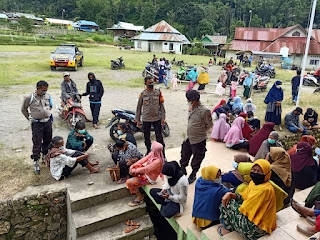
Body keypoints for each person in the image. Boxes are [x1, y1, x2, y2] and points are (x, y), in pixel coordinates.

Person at [218, 160, 277, 239]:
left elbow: (245, 208)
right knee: (229, 198)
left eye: (259, 171)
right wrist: (231, 194)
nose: (255, 173)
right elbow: (244, 196)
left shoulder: (265, 189)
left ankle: (227, 229)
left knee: (227, 203)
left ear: (267, 173)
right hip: (254, 220)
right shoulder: (254, 183)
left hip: (256, 228)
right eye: (253, 170)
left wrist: (231, 200)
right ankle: (229, 226)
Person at [180, 90, 213, 184]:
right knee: (184, 154)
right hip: (188, 137)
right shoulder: (191, 107)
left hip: (199, 139)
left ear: (194, 100)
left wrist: (199, 131)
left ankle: (193, 173)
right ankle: (183, 169)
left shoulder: (205, 111)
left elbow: (209, 125)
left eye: (188, 100)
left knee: (197, 158)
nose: (187, 102)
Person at [21, 80, 53, 174]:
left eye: (46, 90)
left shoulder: (47, 96)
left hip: (47, 122)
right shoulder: (30, 97)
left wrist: (47, 114)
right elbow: (23, 109)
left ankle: (45, 157)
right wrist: (30, 118)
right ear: (38, 88)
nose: (44, 92)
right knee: (37, 143)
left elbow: (50, 106)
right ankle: (36, 163)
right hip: (37, 124)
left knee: (48, 141)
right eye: (43, 90)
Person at [127, 141, 165, 206]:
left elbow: (146, 169)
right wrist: (132, 166)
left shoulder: (158, 161)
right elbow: (144, 159)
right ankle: (135, 186)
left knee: (129, 182)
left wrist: (134, 170)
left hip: (149, 178)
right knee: (136, 167)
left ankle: (139, 197)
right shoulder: (153, 153)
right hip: (146, 174)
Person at [136, 76, 166, 155]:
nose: (151, 84)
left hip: (156, 118)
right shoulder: (142, 94)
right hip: (146, 119)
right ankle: (149, 151)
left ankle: (162, 153)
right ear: (145, 83)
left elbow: (162, 107)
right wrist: (138, 120)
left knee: (159, 137)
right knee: (146, 137)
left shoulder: (158, 93)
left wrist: (163, 117)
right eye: (149, 83)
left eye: (152, 82)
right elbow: (138, 108)